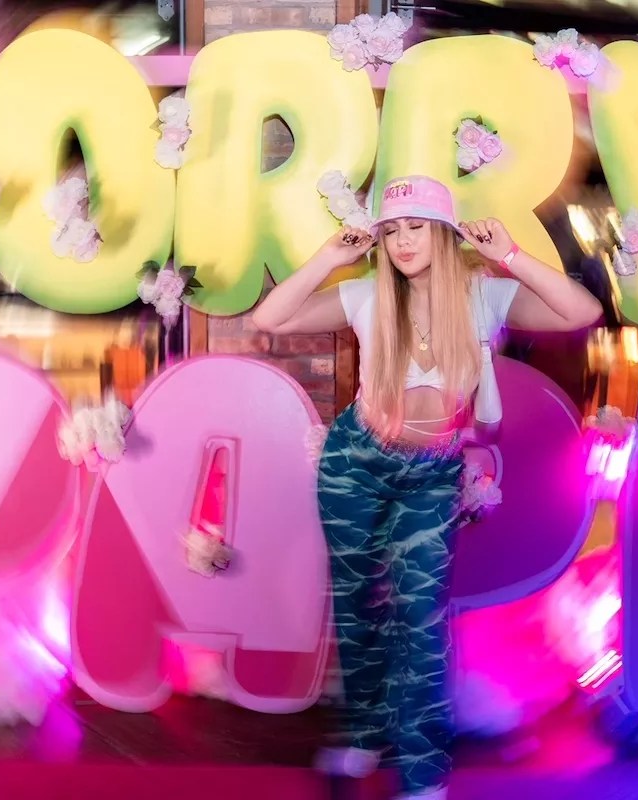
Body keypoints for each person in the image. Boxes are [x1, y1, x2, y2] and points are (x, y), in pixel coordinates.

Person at [252, 175, 601, 800]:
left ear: (443, 233)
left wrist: (509, 255)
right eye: (391, 231)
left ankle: (421, 776)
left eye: (416, 226)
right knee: (357, 608)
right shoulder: (366, 295)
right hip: (356, 462)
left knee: (420, 619)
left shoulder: (483, 295)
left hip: (432, 472)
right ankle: (364, 735)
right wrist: (329, 258)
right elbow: (269, 318)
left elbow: (582, 312)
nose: (403, 241)